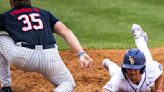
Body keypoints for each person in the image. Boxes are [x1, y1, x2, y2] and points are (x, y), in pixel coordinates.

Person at [0, 0, 93, 92]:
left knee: (1, 37)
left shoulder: (6, 16)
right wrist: (81, 53)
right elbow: (65, 31)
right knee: (68, 83)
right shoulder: (44, 13)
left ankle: (6, 86)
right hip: (50, 57)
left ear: (11, 1)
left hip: (24, 58)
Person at [101, 24, 163, 92]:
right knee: (115, 72)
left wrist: (158, 90)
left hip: (146, 66)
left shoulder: (151, 69)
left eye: (136, 69)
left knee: (146, 56)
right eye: (129, 69)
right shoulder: (119, 77)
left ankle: (139, 37)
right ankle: (108, 63)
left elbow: (160, 73)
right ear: (124, 69)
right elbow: (105, 90)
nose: (133, 72)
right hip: (119, 75)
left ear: (142, 69)